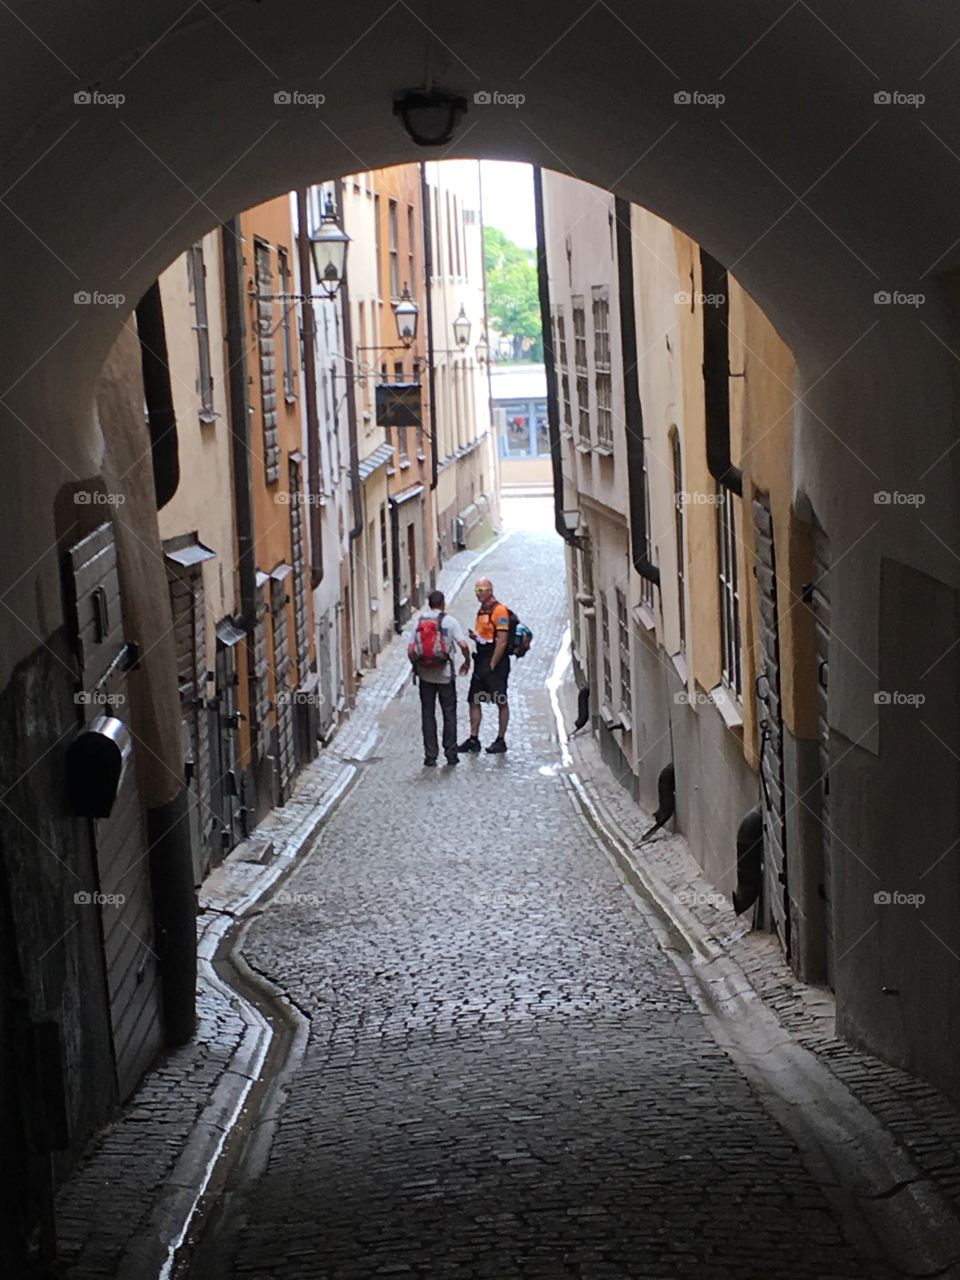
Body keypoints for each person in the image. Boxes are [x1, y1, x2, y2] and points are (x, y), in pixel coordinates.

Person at [408, 589, 470, 767]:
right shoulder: (450, 622)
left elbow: (411, 650)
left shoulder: (419, 622)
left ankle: (430, 755)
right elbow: (463, 644)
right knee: (449, 713)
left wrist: (417, 666)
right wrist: (467, 660)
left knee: (428, 714)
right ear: (443, 604)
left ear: (429, 603)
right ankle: (451, 753)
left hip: (425, 676)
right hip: (445, 675)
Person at [459, 576, 511, 755]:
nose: (479, 594)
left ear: (490, 590)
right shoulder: (482, 611)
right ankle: (474, 739)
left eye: (482, 590)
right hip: (481, 658)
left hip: (496, 661)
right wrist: (477, 638)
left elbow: (502, 641)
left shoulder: (500, 611)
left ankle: (500, 739)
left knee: (500, 700)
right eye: (477, 591)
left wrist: (492, 664)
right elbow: (487, 636)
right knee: (474, 699)